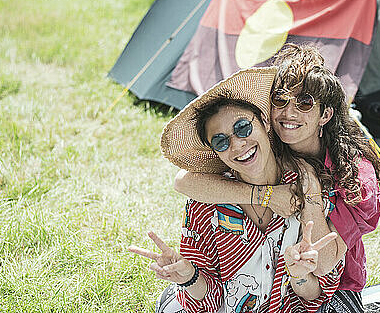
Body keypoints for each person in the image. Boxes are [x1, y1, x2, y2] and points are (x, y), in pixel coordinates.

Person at [174, 44, 380, 313]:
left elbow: (322, 263)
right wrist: (264, 196)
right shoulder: (258, 141)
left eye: (304, 102)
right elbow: (183, 182)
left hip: (332, 286)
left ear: (325, 114)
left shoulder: (355, 180)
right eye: (280, 99)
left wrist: (309, 186)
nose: (289, 113)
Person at [131, 67, 346, 313]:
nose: (237, 145)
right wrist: (188, 277)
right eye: (221, 141)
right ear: (215, 151)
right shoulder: (205, 203)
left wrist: (299, 276)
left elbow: (316, 296)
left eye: (243, 127)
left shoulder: (308, 187)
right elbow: (208, 301)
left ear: (264, 123)